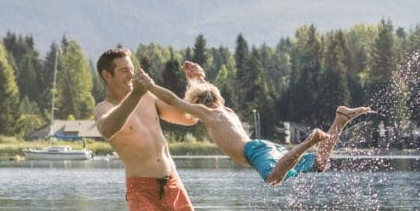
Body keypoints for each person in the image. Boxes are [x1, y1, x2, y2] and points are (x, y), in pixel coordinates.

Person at [134, 61, 370, 185]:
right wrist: (196, 77)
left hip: (254, 151)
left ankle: (311, 140)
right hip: (266, 147)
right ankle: (340, 119)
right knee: (320, 163)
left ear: (199, 103)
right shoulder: (226, 110)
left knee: (273, 179)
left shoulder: (208, 114)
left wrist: (150, 86)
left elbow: (173, 100)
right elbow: (206, 91)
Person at [93, 48, 208, 211]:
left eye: (132, 70)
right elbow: (108, 128)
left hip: (173, 185)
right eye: (124, 71)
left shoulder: (149, 99)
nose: (131, 75)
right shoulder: (105, 108)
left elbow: (189, 118)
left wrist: (197, 82)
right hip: (141, 190)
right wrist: (136, 94)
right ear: (107, 75)